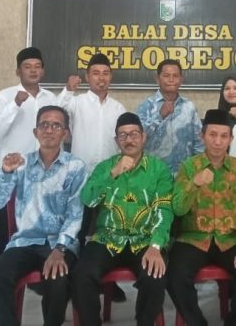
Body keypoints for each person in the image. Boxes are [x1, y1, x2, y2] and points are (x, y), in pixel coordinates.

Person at [0, 105, 86, 326]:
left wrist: (60, 249)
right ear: (35, 131)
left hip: (59, 243)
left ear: (65, 133)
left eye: (56, 126)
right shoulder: (20, 164)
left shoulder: (75, 167)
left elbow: (75, 213)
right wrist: (6, 173)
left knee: (58, 281)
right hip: (24, 241)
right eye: (44, 125)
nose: (49, 130)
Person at [72, 112, 174, 326]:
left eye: (134, 134)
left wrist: (156, 246)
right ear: (116, 140)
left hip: (144, 240)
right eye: (123, 135)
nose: (129, 140)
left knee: (154, 276)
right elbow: (88, 200)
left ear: (143, 137)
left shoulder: (159, 170)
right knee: (82, 275)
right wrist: (113, 174)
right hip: (107, 239)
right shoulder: (104, 167)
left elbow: (164, 210)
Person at [168, 109, 236, 326]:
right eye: (212, 135)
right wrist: (194, 184)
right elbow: (177, 209)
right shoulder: (189, 167)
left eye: (223, 136)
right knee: (175, 276)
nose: (218, 142)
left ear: (231, 139)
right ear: (202, 136)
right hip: (193, 239)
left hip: (230, 239)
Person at [0, 46, 59, 305]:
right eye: (27, 67)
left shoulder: (50, 98)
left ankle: (37, 280)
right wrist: (15, 105)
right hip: (12, 174)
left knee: (39, 229)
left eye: (37, 66)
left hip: (43, 175)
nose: (33, 71)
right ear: (18, 71)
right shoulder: (5, 96)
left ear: (43, 70)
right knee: (3, 232)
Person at [58, 52, 127, 279]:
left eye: (105, 73)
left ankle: (108, 284)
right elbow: (56, 111)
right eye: (96, 73)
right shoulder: (76, 103)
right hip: (81, 179)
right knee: (77, 230)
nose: (101, 78)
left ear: (111, 77)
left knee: (107, 233)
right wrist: (68, 90)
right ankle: (73, 278)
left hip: (110, 180)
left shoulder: (118, 108)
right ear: (87, 77)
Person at [136, 59, 203, 174]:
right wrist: (159, 116)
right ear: (157, 79)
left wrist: (198, 169)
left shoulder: (189, 107)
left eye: (175, 76)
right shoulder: (145, 106)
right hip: (154, 174)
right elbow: (137, 140)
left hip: (184, 174)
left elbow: (199, 142)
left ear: (181, 80)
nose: (171, 80)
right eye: (166, 75)